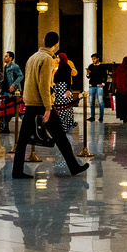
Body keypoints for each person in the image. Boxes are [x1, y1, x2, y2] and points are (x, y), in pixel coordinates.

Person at [14, 32, 88, 179]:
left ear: (43, 41)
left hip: (30, 102)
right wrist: (48, 107)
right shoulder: (47, 59)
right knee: (61, 136)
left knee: (22, 140)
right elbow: (44, 85)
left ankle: (17, 170)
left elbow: (28, 81)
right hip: (41, 103)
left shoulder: (33, 57)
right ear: (56, 45)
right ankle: (73, 166)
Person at [86, 53, 107, 122]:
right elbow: (89, 77)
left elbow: (105, 76)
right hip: (92, 85)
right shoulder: (91, 66)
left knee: (100, 101)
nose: (93, 60)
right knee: (91, 101)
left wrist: (103, 83)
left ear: (98, 58)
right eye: (92, 59)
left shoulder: (102, 67)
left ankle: (101, 116)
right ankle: (92, 116)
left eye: (94, 59)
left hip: (99, 85)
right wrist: (88, 74)